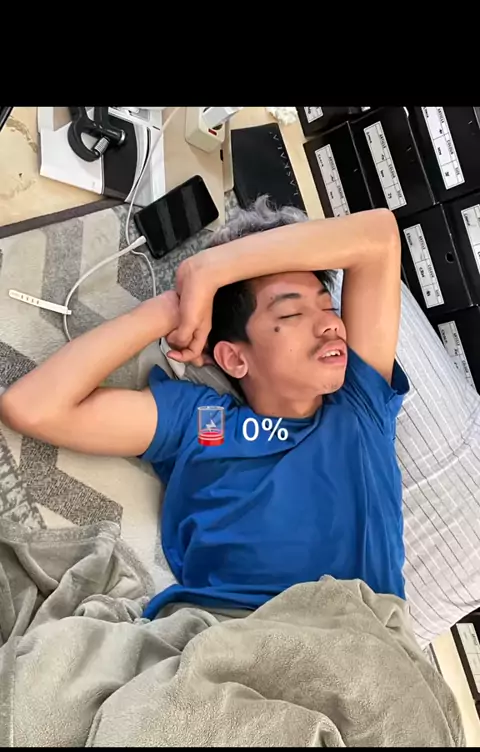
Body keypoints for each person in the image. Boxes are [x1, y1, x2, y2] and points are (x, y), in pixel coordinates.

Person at [0, 197, 409, 619]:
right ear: (234, 358)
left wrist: (213, 268)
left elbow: (379, 236)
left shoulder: (359, 409)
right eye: (291, 313)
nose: (330, 324)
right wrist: (172, 309)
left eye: (327, 306)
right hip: (229, 638)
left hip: (364, 638)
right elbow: (32, 407)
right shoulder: (205, 424)